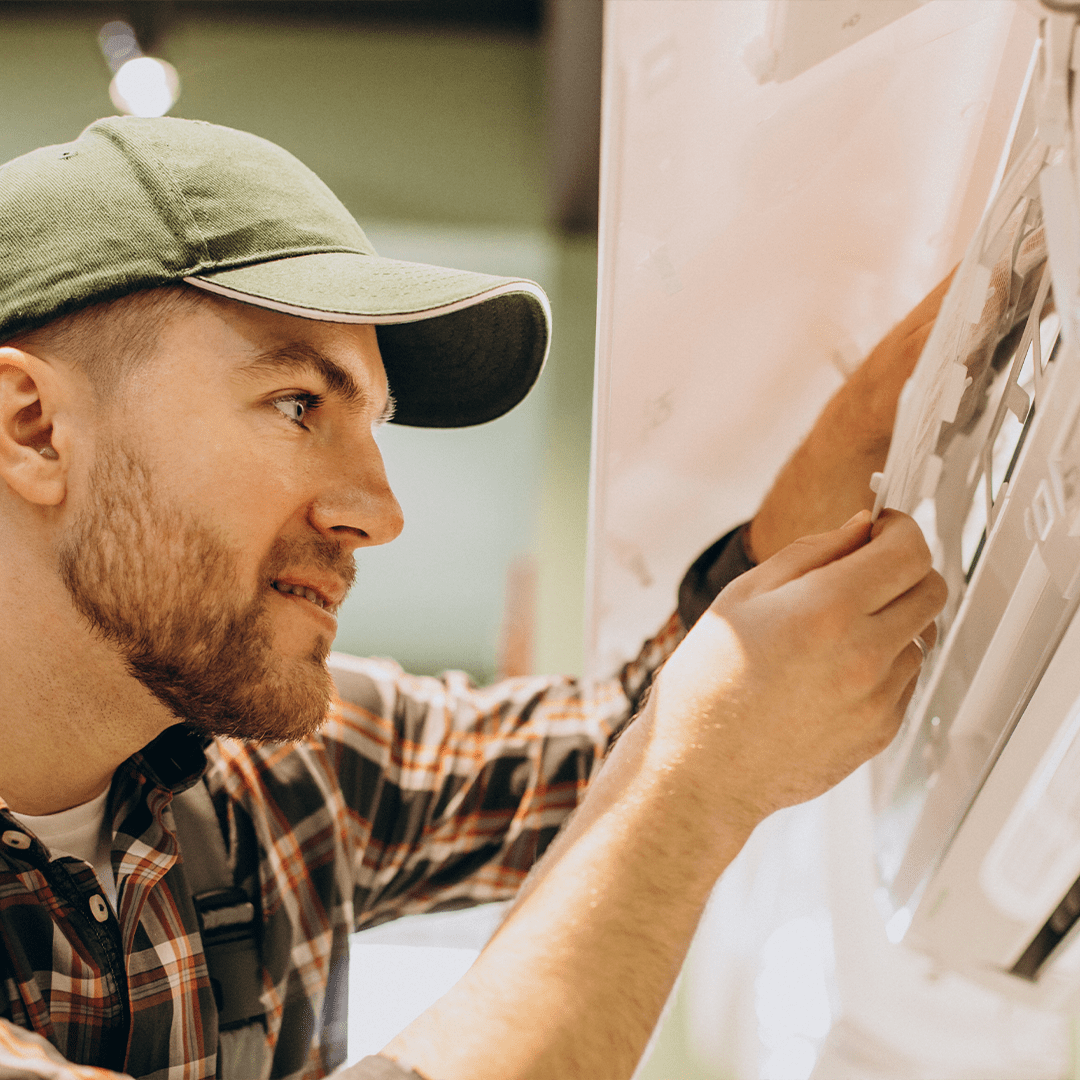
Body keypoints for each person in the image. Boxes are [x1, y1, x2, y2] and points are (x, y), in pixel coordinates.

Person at [0, 116, 946, 1080]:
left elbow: (617, 741)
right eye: (298, 405)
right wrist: (696, 795)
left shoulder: (267, 774)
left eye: (374, 424)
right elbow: (673, 761)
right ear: (33, 429)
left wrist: (849, 457)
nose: (381, 512)